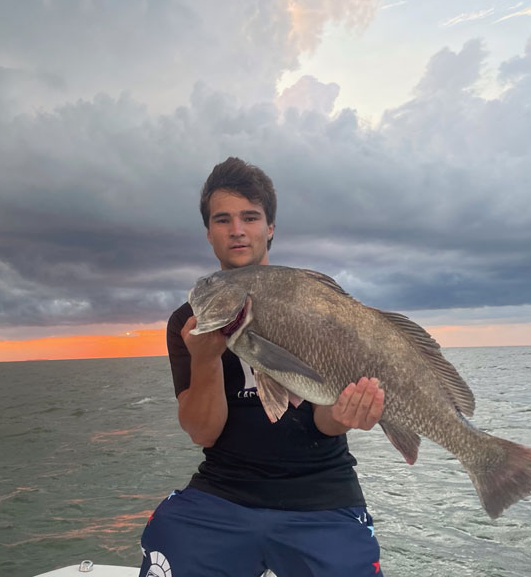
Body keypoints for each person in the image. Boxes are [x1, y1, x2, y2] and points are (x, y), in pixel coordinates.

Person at [138, 158, 386, 577]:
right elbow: (204, 432)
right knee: (166, 540)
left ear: (270, 227)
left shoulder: (314, 304)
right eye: (223, 219)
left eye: (250, 217)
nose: (237, 230)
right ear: (209, 233)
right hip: (222, 491)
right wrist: (206, 360)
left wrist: (344, 415)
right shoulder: (188, 321)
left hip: (321, 491)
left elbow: (323, 420)